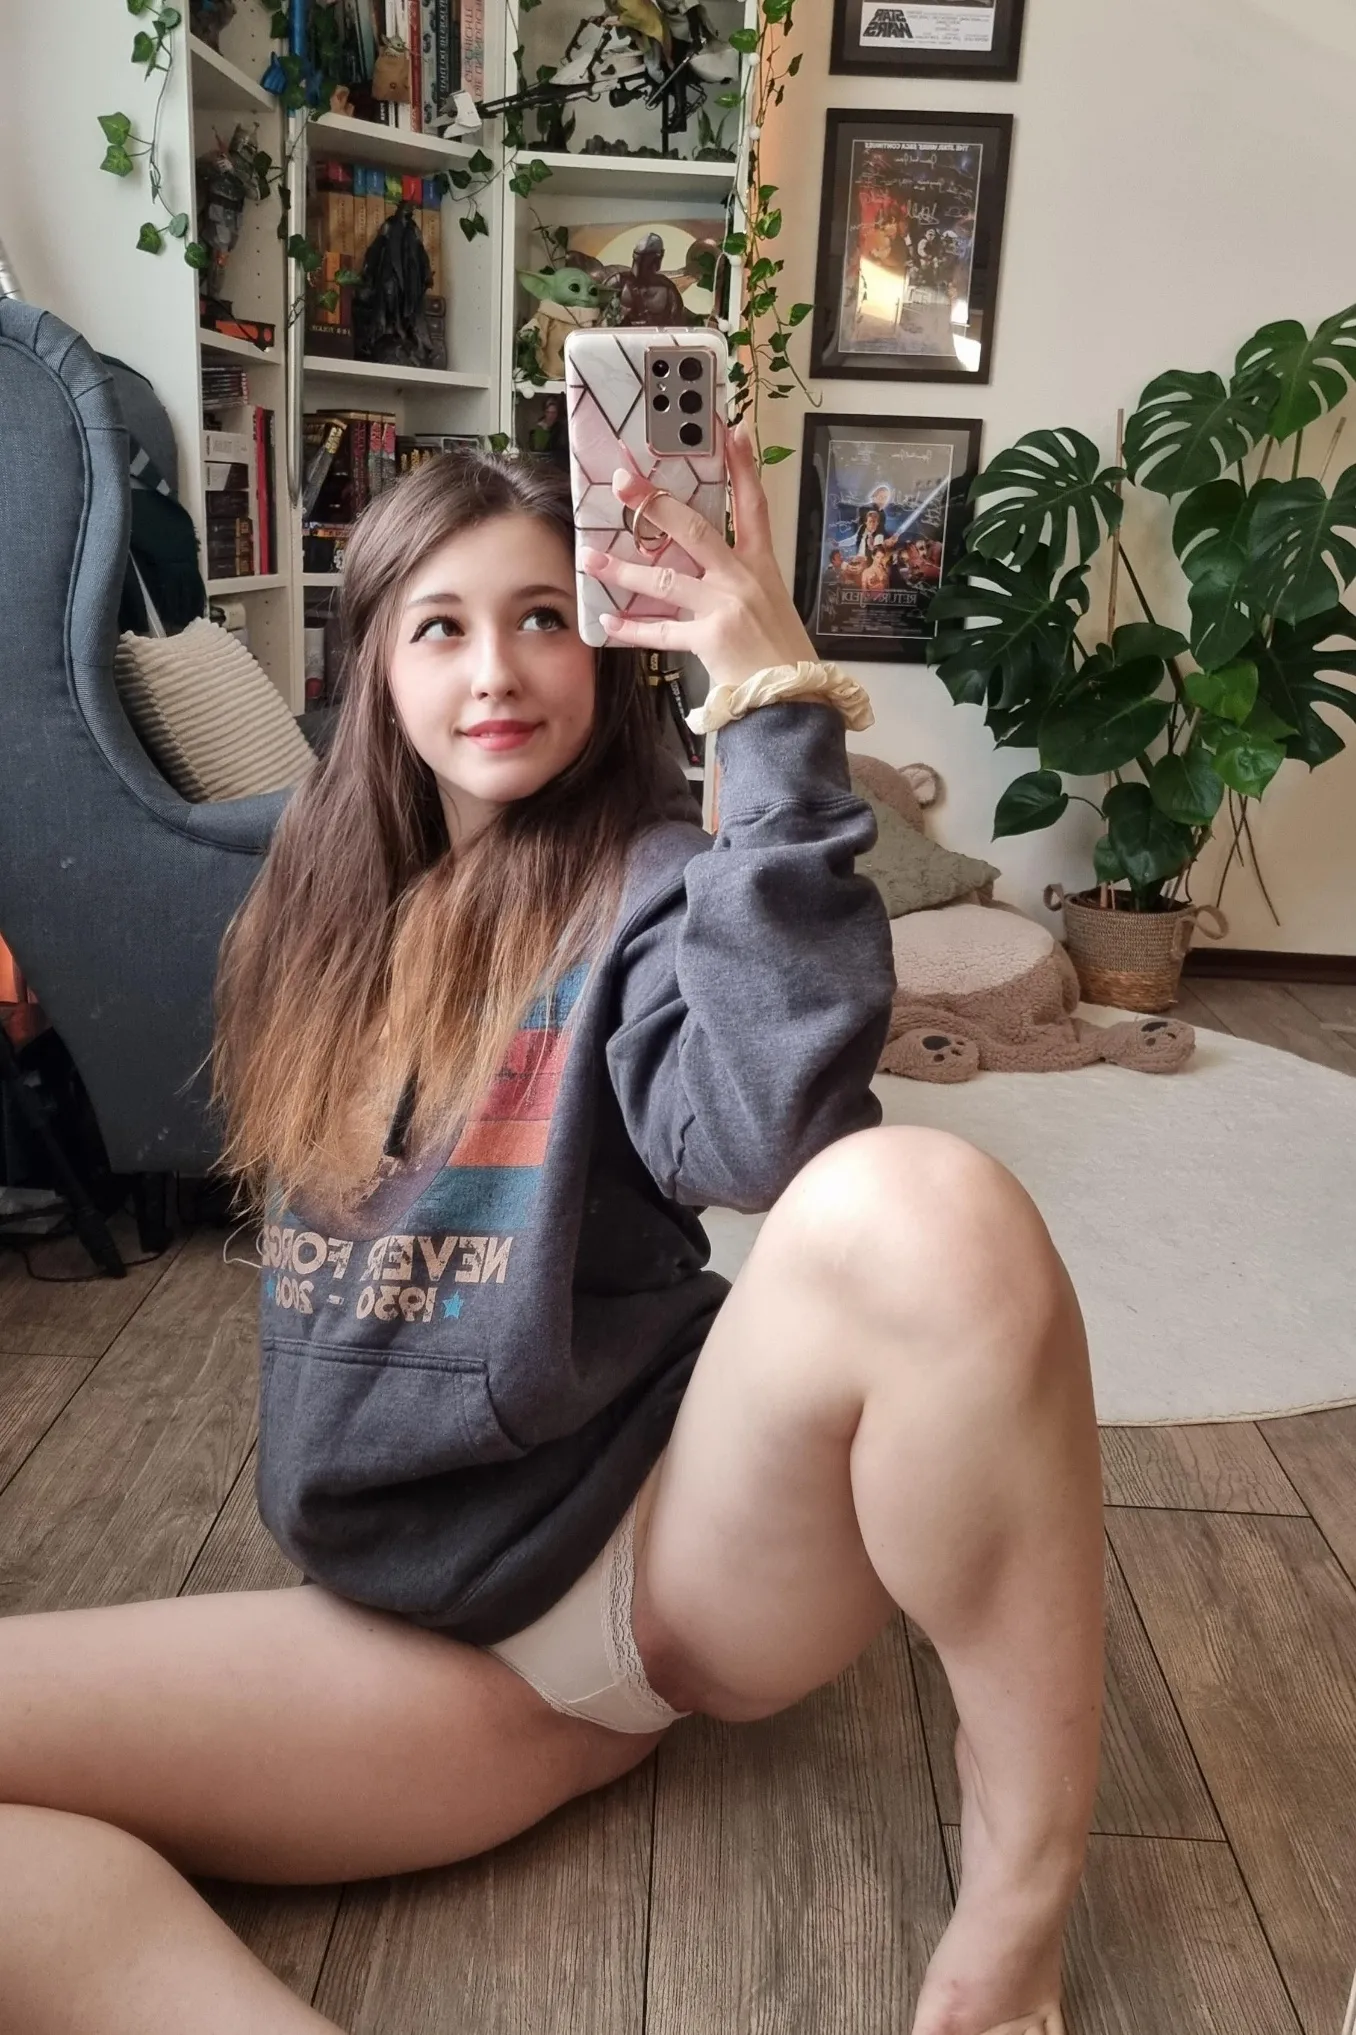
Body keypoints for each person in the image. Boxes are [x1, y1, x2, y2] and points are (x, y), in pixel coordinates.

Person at [0, 425, 1103, 2035]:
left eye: (542, 617)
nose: (496, 669)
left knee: (923, 1206)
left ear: (606, 649)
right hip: (419, 1640)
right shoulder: (313, 907)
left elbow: (767, 1139)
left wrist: (770, 704)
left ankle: (1017, 1914)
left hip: (665, 1564)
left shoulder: (655, 887)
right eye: (440, 625)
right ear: (374, 665)